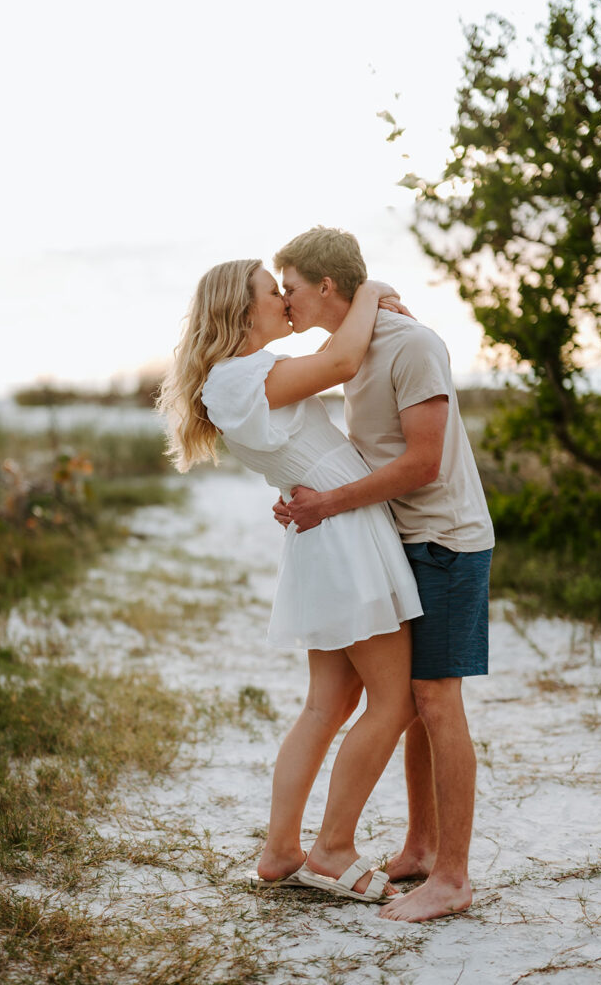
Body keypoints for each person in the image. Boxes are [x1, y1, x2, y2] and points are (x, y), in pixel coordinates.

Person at [157, 258, 423, 903]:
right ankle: (332, 851)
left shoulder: (237, 379)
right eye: (271, 292)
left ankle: (281, 848)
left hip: (329, 533)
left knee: (327, 704)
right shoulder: (242, 377)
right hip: (344, 537)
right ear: (241, 310)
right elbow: (340, 363)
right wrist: (376, 290)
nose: (282, 299)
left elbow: (331, 363)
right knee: (396, 701)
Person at [272, 226, 495, 923]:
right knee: (417, 707)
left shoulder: (412, 344)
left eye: (291, 287)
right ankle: (421, 850)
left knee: (435, 700)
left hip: (447, 543)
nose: (284, 301)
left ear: (327, 286)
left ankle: (452, 878)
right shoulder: (354, 350)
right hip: (403, 540)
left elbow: (424, 462)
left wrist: (329, 504)